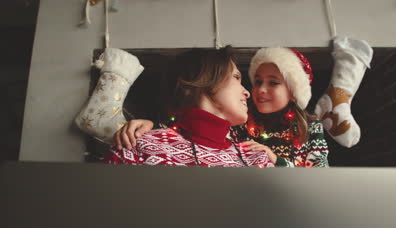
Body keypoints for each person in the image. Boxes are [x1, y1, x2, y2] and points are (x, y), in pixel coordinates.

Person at [115, 47, 330, 168]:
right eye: (240, 78)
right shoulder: (140, 142)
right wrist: (150, 126)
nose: (251, 92)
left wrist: (276, 159)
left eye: (273, 83)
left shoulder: (259, 157)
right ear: (206, 81)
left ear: (293, 92)